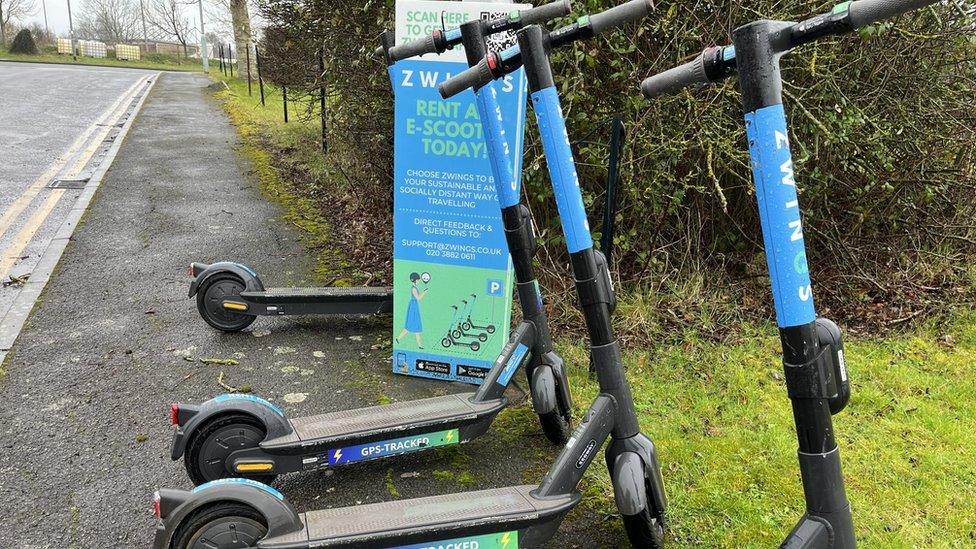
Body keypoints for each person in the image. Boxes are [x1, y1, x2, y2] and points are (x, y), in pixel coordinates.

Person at [395, 272, 427, 348]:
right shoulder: (413, 288)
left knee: (414, 326)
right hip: (413, 307)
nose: (419, 281)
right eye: (418, 280)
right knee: (411, 326)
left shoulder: (415, 287)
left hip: (414, 306)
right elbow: (418, 298)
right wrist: (424, 292)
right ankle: (398, 338)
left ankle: (419, 345)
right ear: (415, 280)